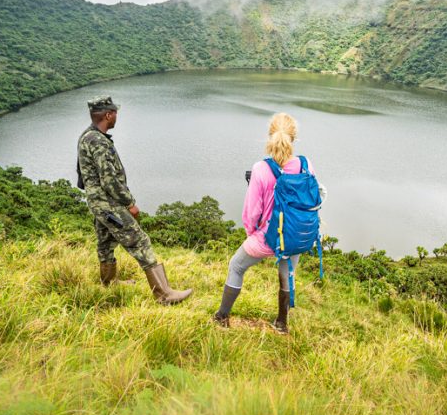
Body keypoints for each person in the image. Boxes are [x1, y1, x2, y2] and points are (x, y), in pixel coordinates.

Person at [77, 95, 192, 305]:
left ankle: (109, 284)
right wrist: (129, 203)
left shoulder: (88, 136)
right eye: (115, 113)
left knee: (105, 243)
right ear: (108, 114)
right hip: (108, 204)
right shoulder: (98, 141)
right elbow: (109, 180)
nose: (117, 117)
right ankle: (164, 294)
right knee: (140, 241)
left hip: (97, 203)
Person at [213, 112, 318, 334]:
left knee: (236, 266)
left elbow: (252, 212)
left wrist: (252, 233)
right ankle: (281, 323)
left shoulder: (261, 168)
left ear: (270, 135)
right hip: (295, 235)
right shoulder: (306, 165)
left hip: (266, 237)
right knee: (287, 274)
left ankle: (222, 317)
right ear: (294, 138)